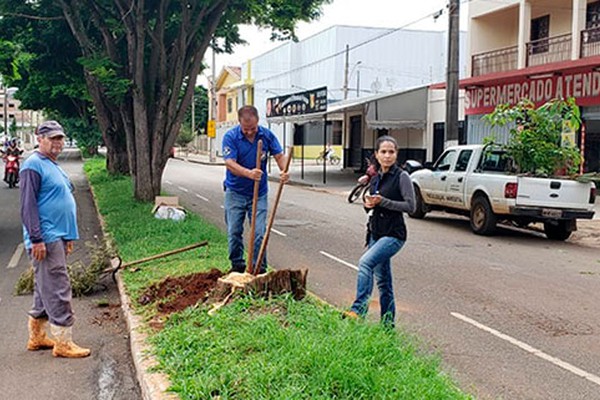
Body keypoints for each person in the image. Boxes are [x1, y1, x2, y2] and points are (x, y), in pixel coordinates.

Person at [20, 120, 90, 358]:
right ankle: (63, 343)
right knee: (58, 287)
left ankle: (37, 337)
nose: (57, 143)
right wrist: (36, 239)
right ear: (39, 138)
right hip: (45, 238)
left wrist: (69, 236)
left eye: (60, 138)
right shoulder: (32, 166)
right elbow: (28, 206)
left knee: (44, 287)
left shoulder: (52, 164)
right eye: (52, 138)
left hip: (56, 236)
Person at [344, 136, 415, 327]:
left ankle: (358, 310)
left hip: (393, 235)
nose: (387, 156)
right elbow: (372, 207)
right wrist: (369, 204)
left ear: (396, 154)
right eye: (383, 152)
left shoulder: (402, 177)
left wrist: (383, 201)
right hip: (375, 233)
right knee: (384, 284)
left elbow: (410, 206)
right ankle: (388, 327)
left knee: (365, 263)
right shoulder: (375, 179)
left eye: (391, 152)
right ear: (376, 154)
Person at [222, 105, 289, 274]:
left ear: (258, 121)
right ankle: (237, 265)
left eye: (252, 128)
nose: (250, 132)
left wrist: (284, 171)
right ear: (239, 123)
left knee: (259, 233)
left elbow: (280, 156)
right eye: (246, 129)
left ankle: (258, 268)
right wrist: (248, 173)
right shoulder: (231, 137)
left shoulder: (266, 135)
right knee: (234, 232)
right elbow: (230, 163)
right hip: (235, 192)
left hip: (259, 194)